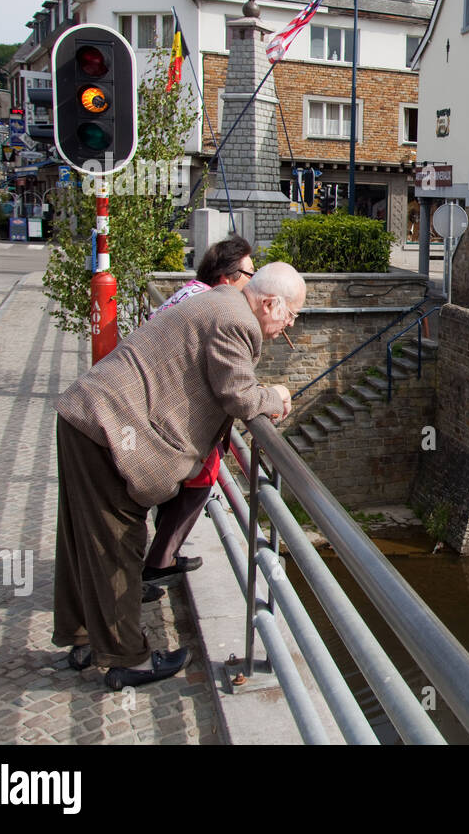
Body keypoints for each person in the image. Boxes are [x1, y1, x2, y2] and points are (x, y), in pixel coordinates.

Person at [53, 262, 305, 690]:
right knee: (117, 542)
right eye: (292, 313)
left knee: (83, 538)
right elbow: (239, 396)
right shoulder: (235, 320)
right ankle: (127, 660)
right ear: (269, 302)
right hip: (109, 429)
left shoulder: (222, 302)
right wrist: (276, 396)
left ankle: (83, 638)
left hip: (90, 417)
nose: (291, 324)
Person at [144, 236, 255, 588]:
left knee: (189, 482)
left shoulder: (190, 293)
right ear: (227, 277)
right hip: (159, 412)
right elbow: (235, 388)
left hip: (152, 405)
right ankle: (156, 565)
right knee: (199, 478)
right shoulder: (214, 307)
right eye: (250, 274)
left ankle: (159, 559)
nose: (253, 282)